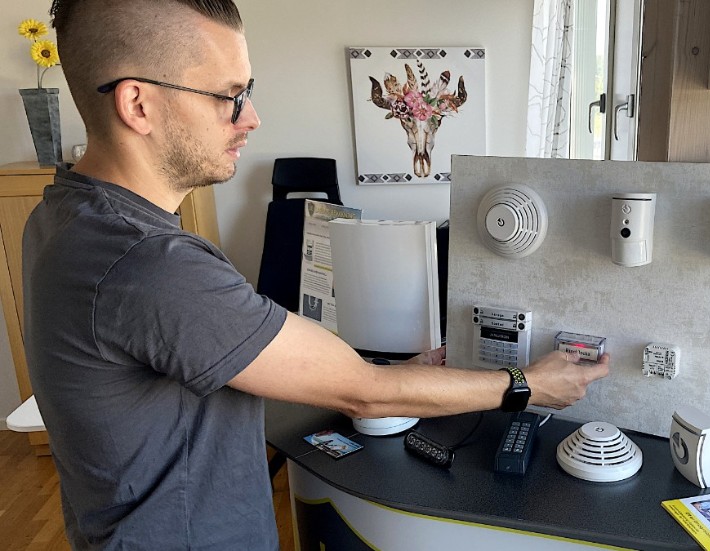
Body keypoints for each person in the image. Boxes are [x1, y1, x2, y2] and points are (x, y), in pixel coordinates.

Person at [23, 1, 610, 549]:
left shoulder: (61, 215)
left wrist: (388, 375)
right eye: (229, 96)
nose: (251, 118)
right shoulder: (150, 262)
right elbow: (365, 392)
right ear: (138, 105)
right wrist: (527, 384)